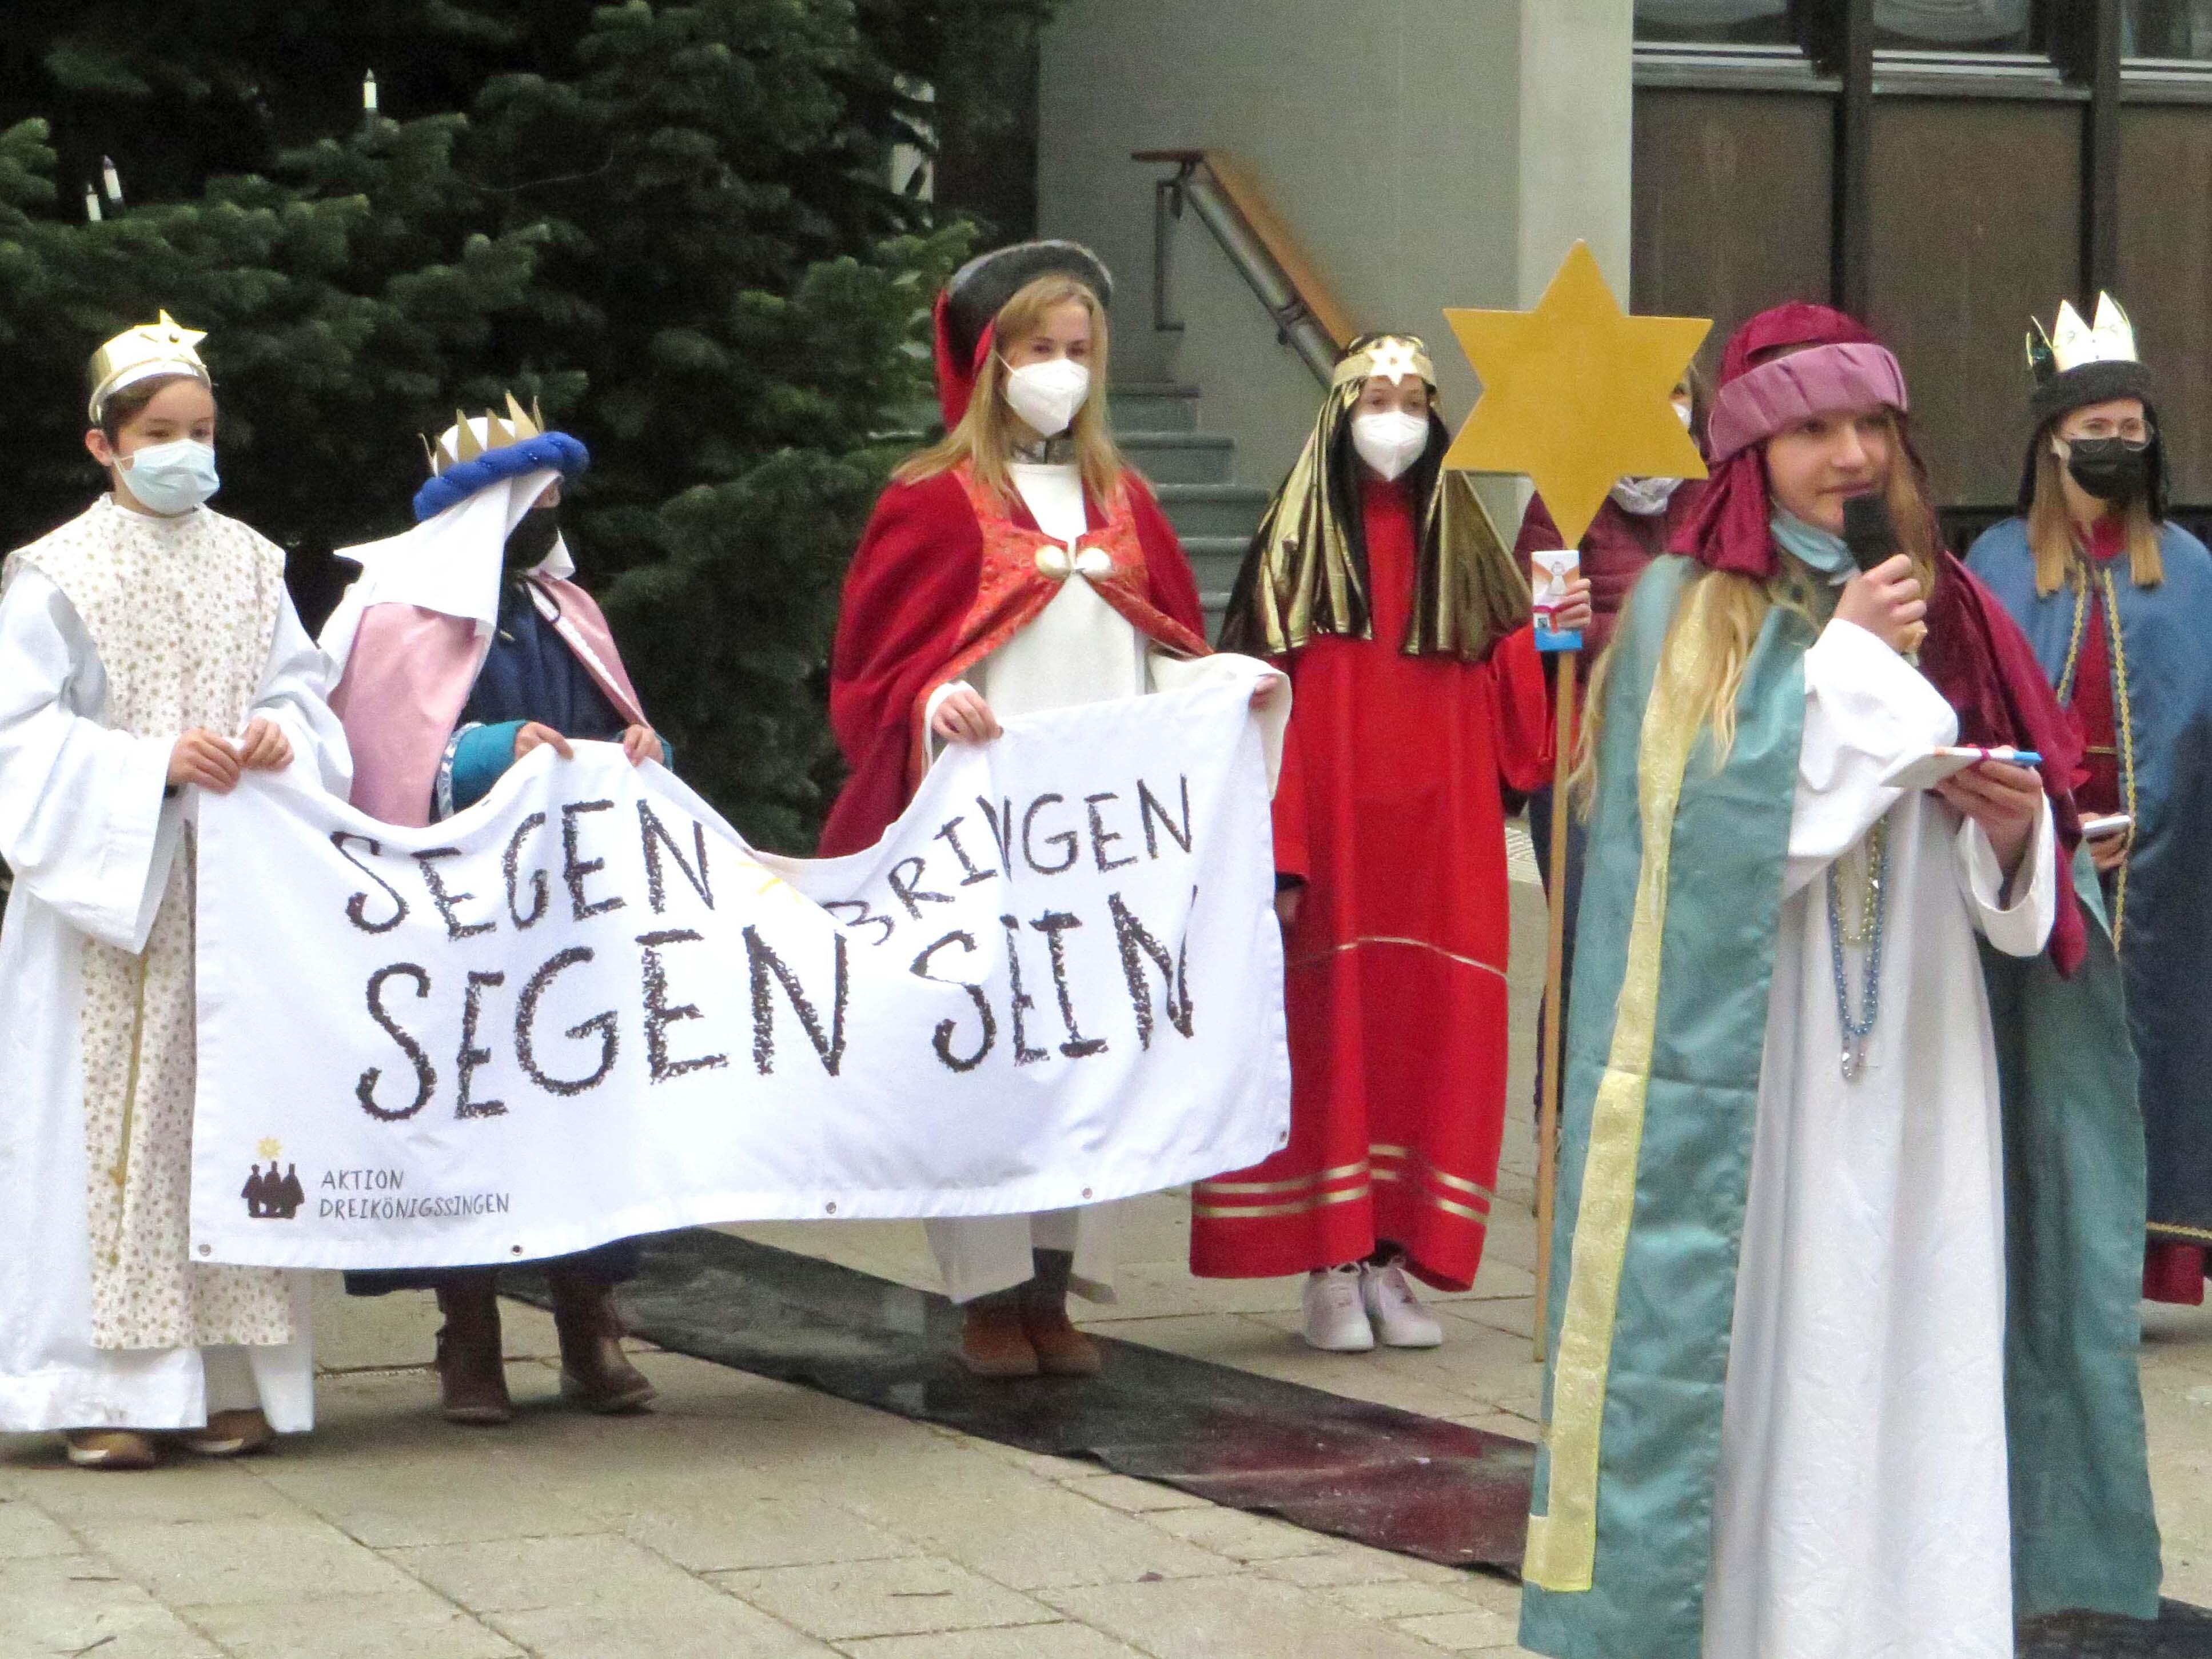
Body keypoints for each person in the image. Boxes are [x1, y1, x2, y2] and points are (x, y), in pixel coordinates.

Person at [1518, 303, 2159, 1658]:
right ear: (1754, 451)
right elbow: (1703, 858)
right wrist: (1856, 664)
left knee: (1923, 1351)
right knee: (1775, 1368)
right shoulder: (1689, 617)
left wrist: (2013, 834)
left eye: (1873, 426)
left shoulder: (1960, 602)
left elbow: (2031, 849)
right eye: (1816, 429)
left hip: (1929, 1061)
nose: (1853, 456)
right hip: (1767, 1080)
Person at [820, 239, 1285, 1378]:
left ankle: (1049, 1283)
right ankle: (984, 1293)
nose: (1064, 370)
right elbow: (873, 675)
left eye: (1080, 351)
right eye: (1041, 349)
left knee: (1081, 1049)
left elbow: (1156, 650)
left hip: (1097, 845)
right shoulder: (931, 502)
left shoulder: (1124, 500)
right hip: (980, 832)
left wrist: (1221, 684)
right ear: (991, 359)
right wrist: (935, 703)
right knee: (983, 1051)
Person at [0, 312, 352, 1470]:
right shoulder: (57, 575)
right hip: (110, 905)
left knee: (230, 1121)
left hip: (232, 895)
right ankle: (103, 1383)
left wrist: (275, 734)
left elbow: (308, 698)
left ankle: (227, 1377)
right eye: (160, 431)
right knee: (104, 1138)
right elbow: (16, 735)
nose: (186, 450)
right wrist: (147, 763)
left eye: (200, 429)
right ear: (103, 443)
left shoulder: (252, 561)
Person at [1189, 333, 1582, 1351]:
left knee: (1431, 1037)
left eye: (1414, 398)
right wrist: (1278, 851)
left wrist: (1554, 633)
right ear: (1337, 414)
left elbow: (1526, 738)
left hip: (1443, 849)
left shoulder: (1469, 551)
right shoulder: (1290, 547)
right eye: (1376, 396)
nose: (1396, 417)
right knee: (1334, 1036)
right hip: (1334, 839)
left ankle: (1392, 1262)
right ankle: (1328, 1261)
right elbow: (1254, 710)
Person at [320, 397, 665, 1426]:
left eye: (558, 498)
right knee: (462, 1108)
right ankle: (468, 1329)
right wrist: (485, 752)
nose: (552, 515)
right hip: (458, 913)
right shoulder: (392, 622)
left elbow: (617, 724)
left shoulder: (569, 610)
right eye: (536, 498)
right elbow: (378, 765)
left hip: (568, 908)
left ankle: (585, 1320)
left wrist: (645, 751)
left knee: (582, 1102)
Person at [1966, 293, 2212, 1307]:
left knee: (2152, 1049)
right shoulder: (1993, 563)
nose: (2117, 447)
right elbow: (1971, 713)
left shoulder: (2193, 572)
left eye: (2131, 430)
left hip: (2164, 868)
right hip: (2040, 854)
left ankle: (2136, 1260)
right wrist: (2054, 830)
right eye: (2095, 432)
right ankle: (2037, 1257)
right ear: (2050, 444)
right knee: (2037, 1059)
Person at [1512, 373, 1705, 1116]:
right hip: (1583, 761)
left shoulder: (1713, 494)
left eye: (1677, 389)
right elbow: (1541, 637)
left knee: (1679, 943)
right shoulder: (1562, 497)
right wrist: (1641, 630)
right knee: (1584, 941)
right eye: (1643, 387)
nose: (1662, 406)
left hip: (1690, 755)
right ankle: (1561, 1123)